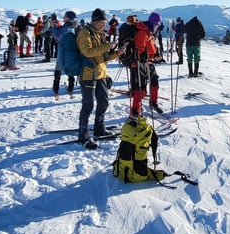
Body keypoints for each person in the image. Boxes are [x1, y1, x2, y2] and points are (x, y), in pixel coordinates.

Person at [76, 8, 120, 149]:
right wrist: (107, 45)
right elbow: (88, 52)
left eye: (104, 22)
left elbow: (103, 57)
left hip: (101, 73)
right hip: (88, 75)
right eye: (102, 22)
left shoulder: (99, 34)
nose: (104, 25)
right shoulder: (85, 33)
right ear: (95, 21)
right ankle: (83, 135)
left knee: (103, 102)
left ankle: (99, 128)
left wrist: (117, 53)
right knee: (88, 106)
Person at [128, 12, 164, 116]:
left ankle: (153, 103)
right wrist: (149, 57)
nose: (157, 26)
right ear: (153, 23)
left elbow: (150, 48)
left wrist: (155, 55)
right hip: (140, 64)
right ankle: (135, 112)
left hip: (148, 62)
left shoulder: (149, 32)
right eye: (157, 24)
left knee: (154, 82)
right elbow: (140, 50)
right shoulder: (143, 32)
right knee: (141, 89)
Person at [52, 11, 80, 100]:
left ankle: (56, 89)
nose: (63, 18)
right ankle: (70, 88)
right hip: (72, 51)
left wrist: (53, 26)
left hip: (63, 51)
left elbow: (57, 36)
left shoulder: (67, 27)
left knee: (58, 70)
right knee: (70, 69)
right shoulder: (75, 25)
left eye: (65, 16)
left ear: (68, 17)